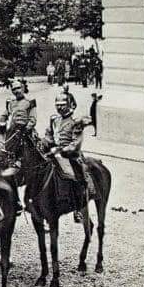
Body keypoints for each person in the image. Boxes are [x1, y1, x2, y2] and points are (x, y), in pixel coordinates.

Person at [43, 92, 93, 223]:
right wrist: (45, 143)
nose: (59, 108)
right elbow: (49, 135)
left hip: (70, 155)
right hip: (53, 153)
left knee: (74, 177)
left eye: (63, 105)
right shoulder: (54, 120)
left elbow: (75, 144)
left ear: (70, 105)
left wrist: (60, 150)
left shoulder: (75, 122)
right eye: (57, 105)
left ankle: (78, 207)